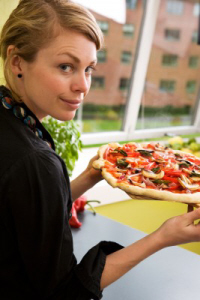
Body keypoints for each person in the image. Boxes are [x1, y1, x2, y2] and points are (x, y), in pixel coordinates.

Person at [0, 0, 200, 299]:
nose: (83, 85)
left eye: (89, 68)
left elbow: (26, 213)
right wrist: (162, 237)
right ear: (17, 62)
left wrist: (90, 176)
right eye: (65, 66)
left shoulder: (12, 125)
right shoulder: (35, 161)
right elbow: (65, 292)